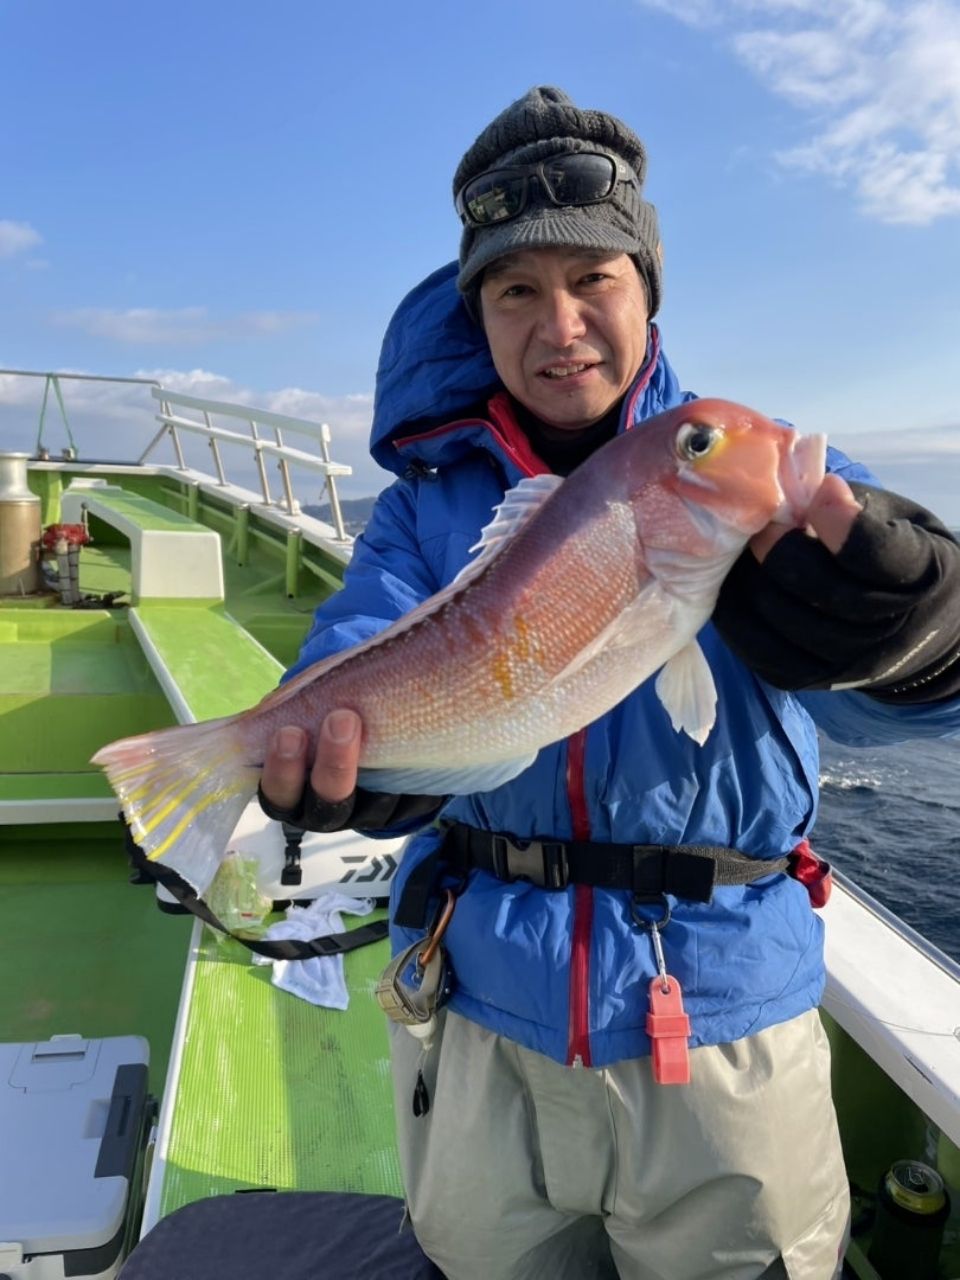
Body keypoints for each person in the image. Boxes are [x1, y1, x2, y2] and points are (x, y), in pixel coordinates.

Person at [258, 87, 960, 1279]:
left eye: (596, 278)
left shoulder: (746, 459)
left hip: (724, 1025)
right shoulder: (428, 504)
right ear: (474, 308)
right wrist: (335, 757)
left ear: (649, 285)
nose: (561, 323)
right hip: (480, 1016)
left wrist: (915, 626)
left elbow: (930, 662)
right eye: (516, 289)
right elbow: (354, 643)